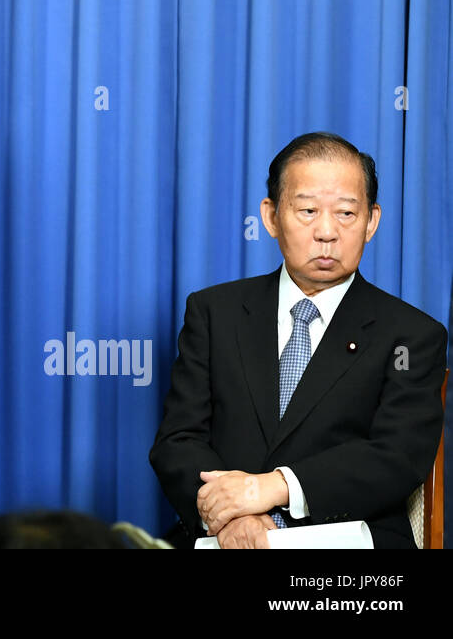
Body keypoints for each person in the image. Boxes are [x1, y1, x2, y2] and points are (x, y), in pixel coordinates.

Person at [150, 132, 448, 549]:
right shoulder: (215, 312)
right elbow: (179, 442)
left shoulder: (412, 335)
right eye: (307, 210)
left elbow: (397, 456)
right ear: (271, 216)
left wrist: (276, 487)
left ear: (371, 221)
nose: (326, 232)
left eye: (346, 213)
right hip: (221, 538)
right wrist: (231, 520)